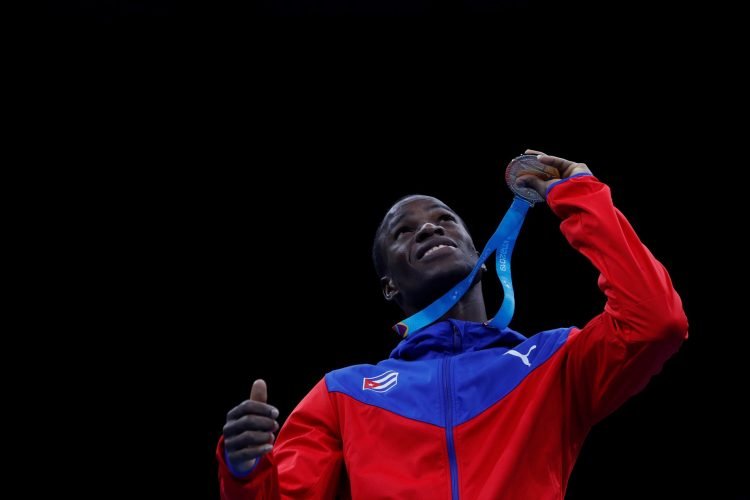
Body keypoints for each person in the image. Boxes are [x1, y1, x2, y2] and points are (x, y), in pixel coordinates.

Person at [217, 150, 688, 499]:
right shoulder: (343, 393)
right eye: (403, 232)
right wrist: (244, 470)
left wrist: (580, 194)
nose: (428, 228)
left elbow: (655, 320)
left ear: (480, 259)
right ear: (389, 288)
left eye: (445, 220)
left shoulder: (552, 363)